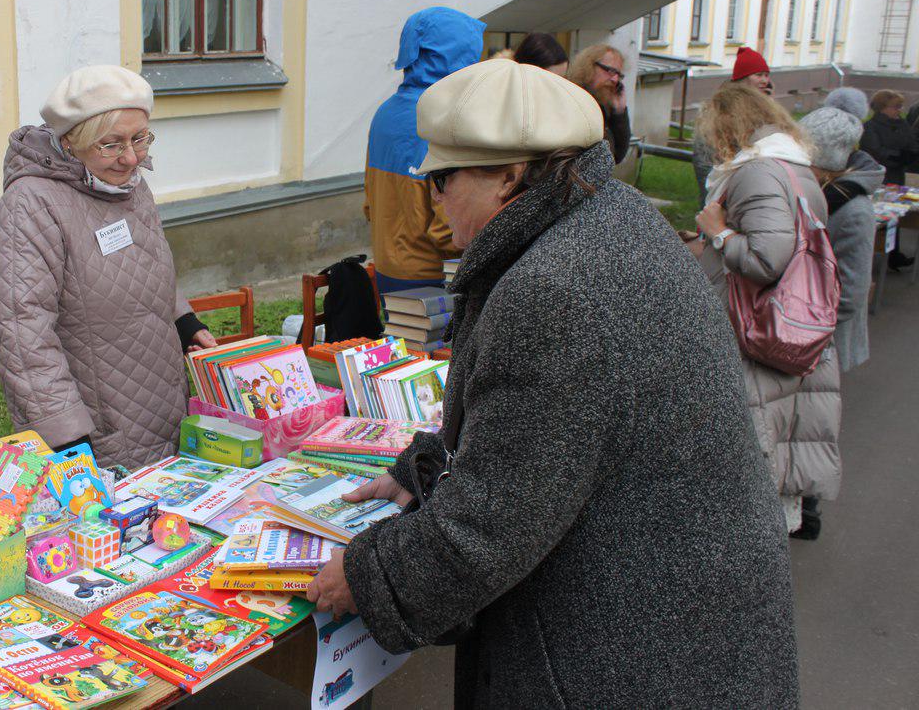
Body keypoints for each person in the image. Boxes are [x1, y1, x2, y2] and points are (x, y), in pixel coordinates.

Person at [308, 59, 798, 707]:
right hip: (683, 618)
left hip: (634, 655)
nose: (433, 200)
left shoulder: (553, 291)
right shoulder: (604, 215)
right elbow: (539, 427)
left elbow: (489, 526)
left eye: (441, 179)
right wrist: (423, 466)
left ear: (509, 176)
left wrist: (369, 574)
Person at [0, 65, 216, 466]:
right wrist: (66, 436)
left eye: (139, 139)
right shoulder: (30, 207)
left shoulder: (126, 183)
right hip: (98, 421)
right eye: (111, 144)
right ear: (71, 142)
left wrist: (184, 322)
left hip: (158, 390)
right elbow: (23, 336)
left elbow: (144, 264)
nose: (130, 158)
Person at [691, 84, 841, 536]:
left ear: (727, 128)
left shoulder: (756, 172)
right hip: (787, 329)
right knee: (774, 448)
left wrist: (719, 233)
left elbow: (766, 259)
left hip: (756, 334)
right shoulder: (796, 169)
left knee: (752, 463)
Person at [796, 105, 881, 540]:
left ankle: (809, 512)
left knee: (813, 427)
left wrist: (803, 326)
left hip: (823, 337)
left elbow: (850, 293)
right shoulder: (827, 194)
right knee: (798, 422)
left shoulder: (854, 211)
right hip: (807, 330)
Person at [364, 6, 486, 294]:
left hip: (388, 267)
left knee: (399, 339)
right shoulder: (441, 118)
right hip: (432, 276)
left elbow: (370, 202)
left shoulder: (384, 113)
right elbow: (448, 228)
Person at [693, 45, 774, 205]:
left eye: (766, 75)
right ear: (743, 78)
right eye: (758, 75)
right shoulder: (725, 108)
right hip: (722, 178)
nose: (764, 80)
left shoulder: (765, 104)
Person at [860, 89, 919, 268]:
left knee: (896, 215)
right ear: (882, 107)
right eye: (895, 107)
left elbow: (911, 142)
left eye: (900, 107)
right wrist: (896, 156)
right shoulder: (871, 126)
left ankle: (893, 253)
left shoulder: (901, 124)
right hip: (881, 175)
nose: (899, 110)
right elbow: (873, 149)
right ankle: (875, 252)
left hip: (897, 174)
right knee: (880, 217)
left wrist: (910, 154)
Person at [566, 43, 631, 164]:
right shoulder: (572, 100)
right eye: (611, 71)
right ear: (589, 66)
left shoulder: (601, 105)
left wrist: (619, 111)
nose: (615, 80)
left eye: (619, 75)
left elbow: (617, 156)